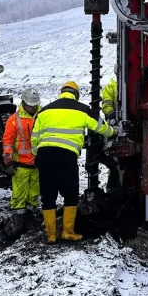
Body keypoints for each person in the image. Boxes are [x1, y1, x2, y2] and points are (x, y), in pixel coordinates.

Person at [31, 80, 115, 243]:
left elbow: (34, 138)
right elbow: (100, 127)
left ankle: (51, 235)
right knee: (70, 194)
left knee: (48, 195)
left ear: (61, 92)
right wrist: (112, 133)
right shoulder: (82, 110)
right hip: (66, 156)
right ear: (76, 95)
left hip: (44, 155)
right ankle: (68, 231)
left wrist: (36, 155)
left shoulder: (45, 111)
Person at [2, 87, 41, 235]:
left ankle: (30, 219)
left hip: (36, 164)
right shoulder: (14, 120)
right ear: (23, 103)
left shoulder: (42, 116)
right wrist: (8, 162)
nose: (33, 107)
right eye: (30, 104)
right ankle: (17, 222)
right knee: (18, 195)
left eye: (34, 104)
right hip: (21, 166)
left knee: (34, 194)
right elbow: (7, 142)